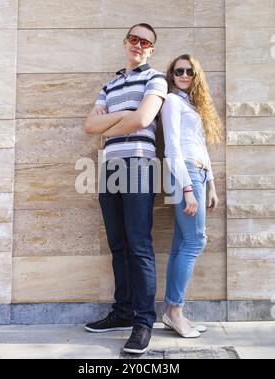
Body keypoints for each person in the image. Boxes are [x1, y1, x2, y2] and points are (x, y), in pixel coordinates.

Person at [83, 23, 167, 354]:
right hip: (110, 168)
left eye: (145, 42)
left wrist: (116, 120)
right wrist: (127, 114)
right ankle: (122, 311)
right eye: (134, 39)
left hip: (139, 164)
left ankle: (143, 321)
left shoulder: (156, 78)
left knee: (139, 245)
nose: (138, 44)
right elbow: (90, 126)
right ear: (125, 42)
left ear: (151, 50)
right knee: (118, 245)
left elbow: (143, 120)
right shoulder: (109, 84)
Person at [161, 54, 223, 338]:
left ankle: (171, 313)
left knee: (181, 244)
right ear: (171, 74)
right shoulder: (172, 101)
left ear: (196, 75)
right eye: (178, 71)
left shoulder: (191, 104)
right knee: (196, 241)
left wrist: (210, 184)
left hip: (197, 173)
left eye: (189, 71)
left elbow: (199, 146)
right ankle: (175, 311)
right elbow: (172, 147)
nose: (184, 75)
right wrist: (187, 188)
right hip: (183, 173)